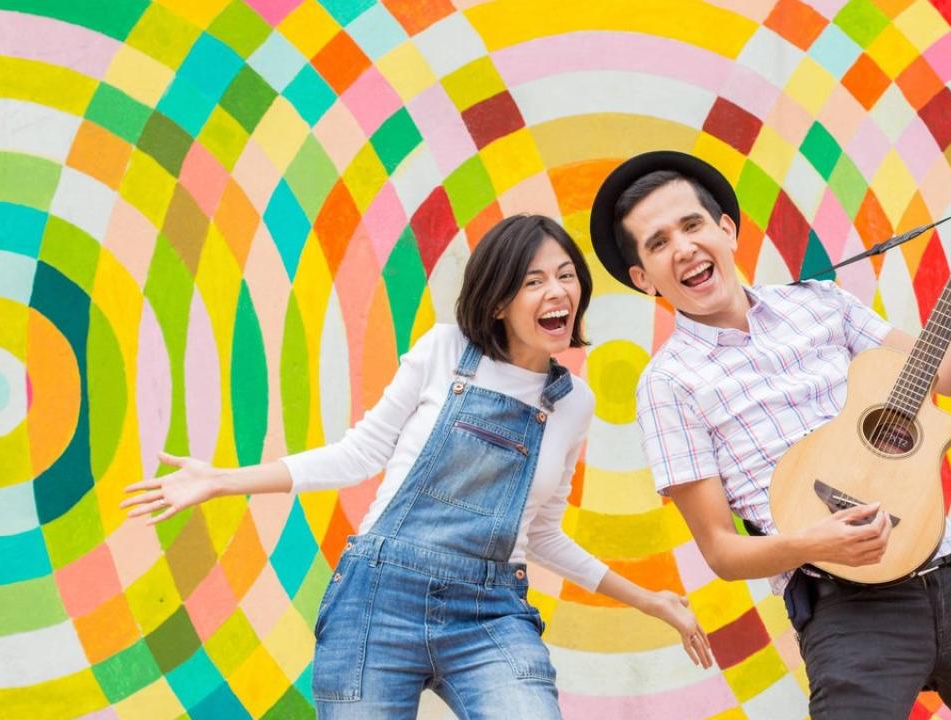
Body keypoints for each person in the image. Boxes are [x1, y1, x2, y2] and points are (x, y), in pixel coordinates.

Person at [123, 214, 713, 720]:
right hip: (378, 597)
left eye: (565, 277)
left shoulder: (571, 403)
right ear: (500, 299)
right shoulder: (443, 350)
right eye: (533, 280)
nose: (556, 291)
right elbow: (358, 454)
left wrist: (649, 599)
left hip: (490, 612)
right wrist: (222, 480)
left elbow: (540, 534)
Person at [589, 152, 951, 719]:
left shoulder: (822, 304)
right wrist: (817, 543)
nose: (683, 248)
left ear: (726, 229)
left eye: (691, 225)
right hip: (844, 609)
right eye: (658, 243)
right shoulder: (667, 385)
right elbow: (721, 549)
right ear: (643, 279)